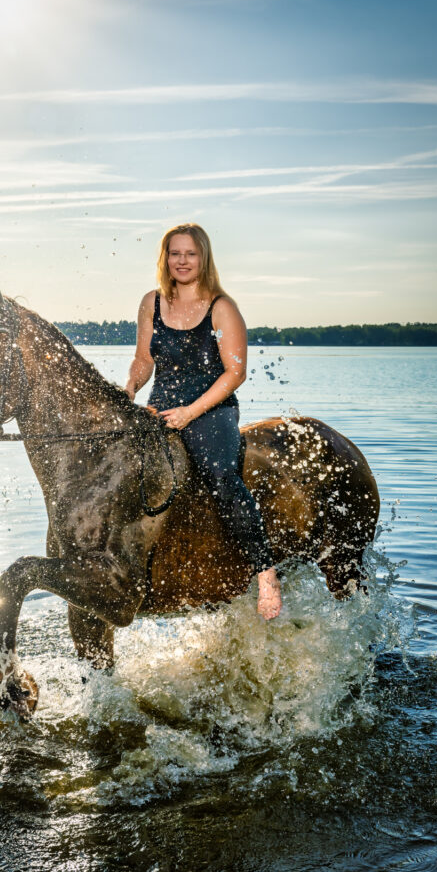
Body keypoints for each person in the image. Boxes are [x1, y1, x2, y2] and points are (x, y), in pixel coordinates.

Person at [124, 223, 282, 620]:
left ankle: (265, 573)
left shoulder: (221, 306)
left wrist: (191, 412)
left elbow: (235, 372)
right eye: (175, 254)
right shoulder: (151, 302)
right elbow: (145, 360)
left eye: (190, 254)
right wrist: (129, 392)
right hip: (159, 408)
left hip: (212, 409)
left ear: (203, 258)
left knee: (221, 477)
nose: (182, 261)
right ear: (165, 259)